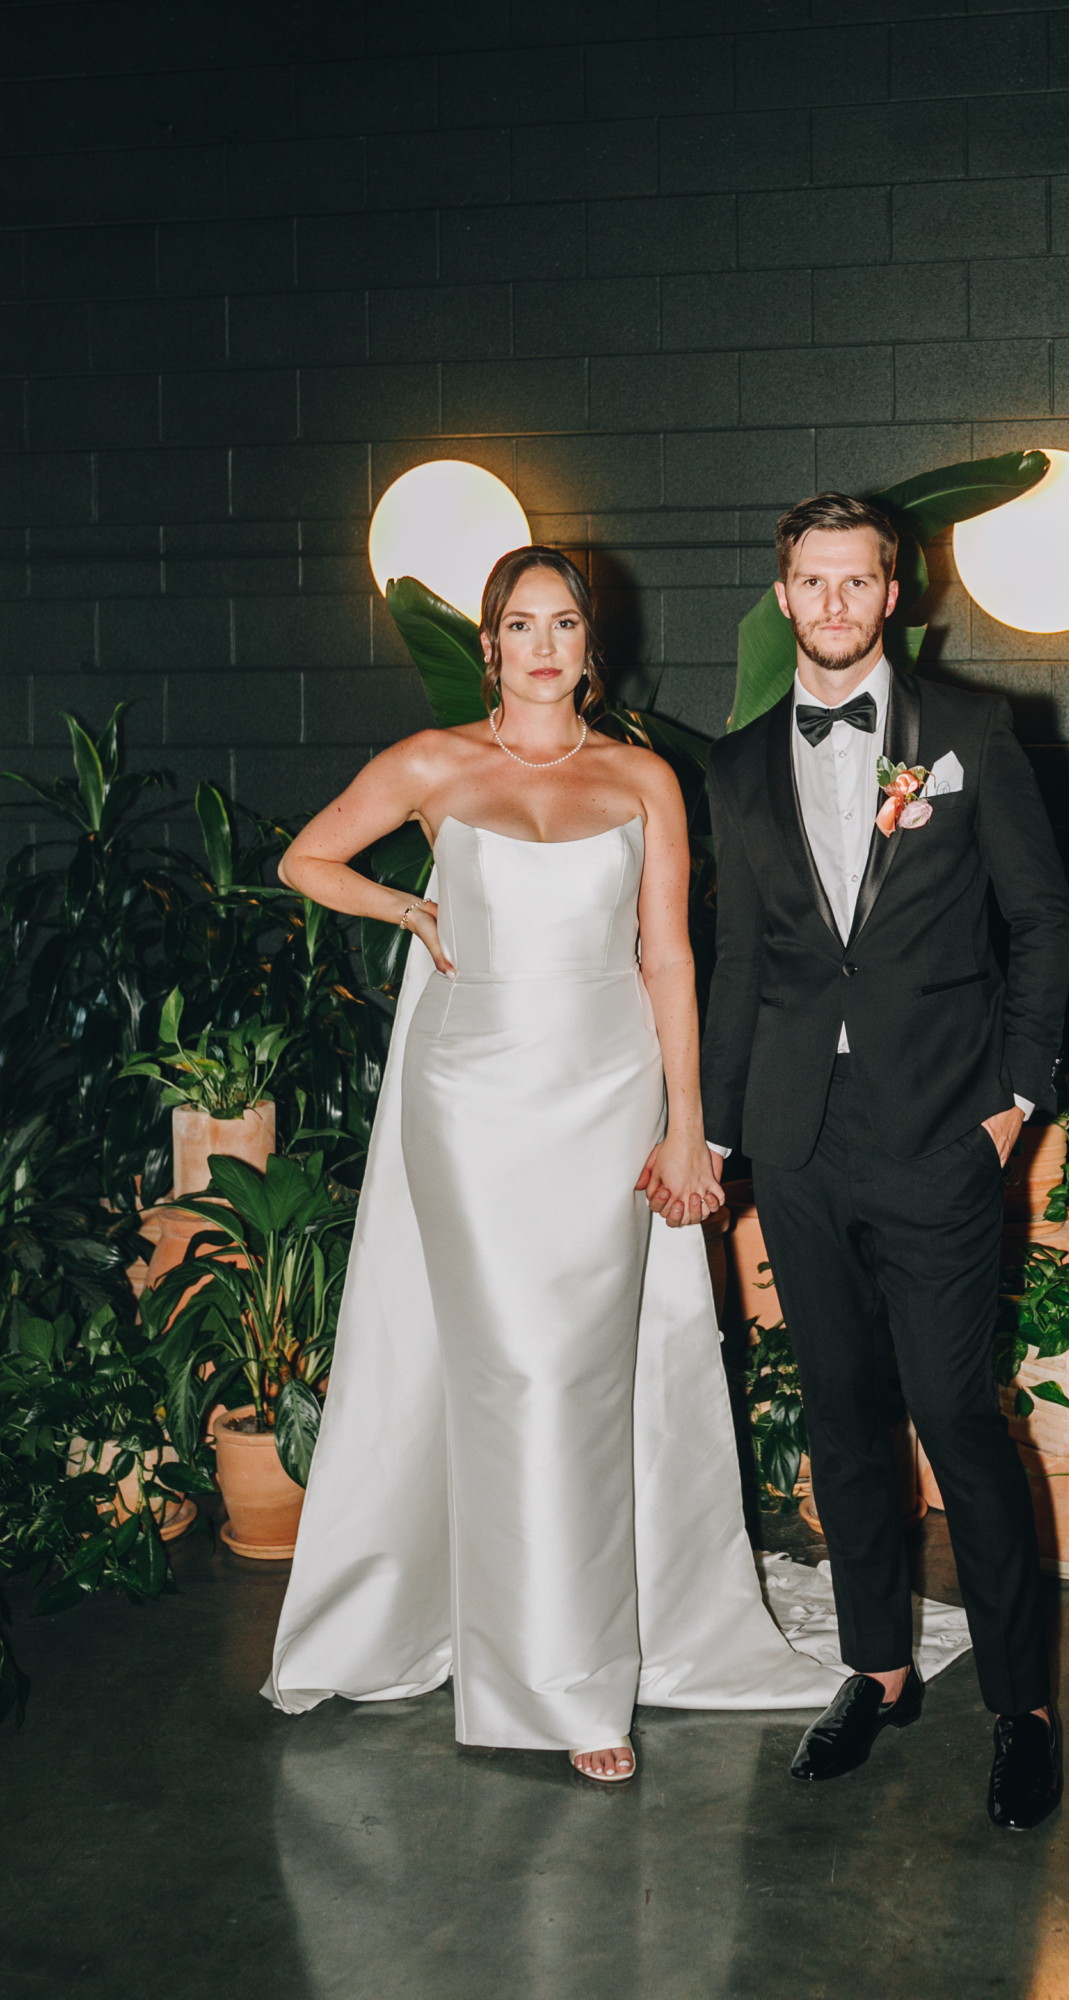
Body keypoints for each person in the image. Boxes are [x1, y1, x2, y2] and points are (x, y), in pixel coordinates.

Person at [264, 544, 833, 1777]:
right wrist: (405, 909)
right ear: (490, 646)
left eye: (562, 622)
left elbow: (670, 957)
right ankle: (559, 1683)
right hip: (468, 1103)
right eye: (519, 624)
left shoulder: (642, 778)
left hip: (609, 1097)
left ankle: (563, 1657)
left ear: (590, 644)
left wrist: (688, 1119)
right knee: (513, 1371)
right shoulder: (432, 764)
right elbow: (305, 859)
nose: (541, 644)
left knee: (577, 1377)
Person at [700, 493, 1069, 1830]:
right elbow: (743, 966)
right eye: (810, 582)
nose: (834, 605)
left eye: (855, 582)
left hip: (937, 1135)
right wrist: (718, 1132)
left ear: (891, 594)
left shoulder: (969, 733)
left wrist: (1012, 1100)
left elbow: (1043, 918)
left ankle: (1019, 1709)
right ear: (783, 594)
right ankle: (874, 1669)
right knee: (844, 1421)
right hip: (800, 1146)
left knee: (955, 1419)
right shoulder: (737, 767)